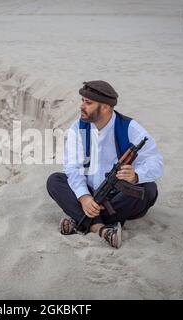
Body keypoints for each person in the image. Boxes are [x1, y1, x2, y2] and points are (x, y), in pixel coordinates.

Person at [46, 80, 163, 249]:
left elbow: (156, 163)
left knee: (149, 189)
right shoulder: (78, 128)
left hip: (118, 195)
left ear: (106, 107)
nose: (82, 106)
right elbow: (72, 167)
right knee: (55, 181)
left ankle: (82, 221)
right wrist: (84, 197)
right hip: (90, 192)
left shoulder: (129, 128)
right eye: (82, 101)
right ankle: (101, 228)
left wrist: (136, 175)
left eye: (88, 103)